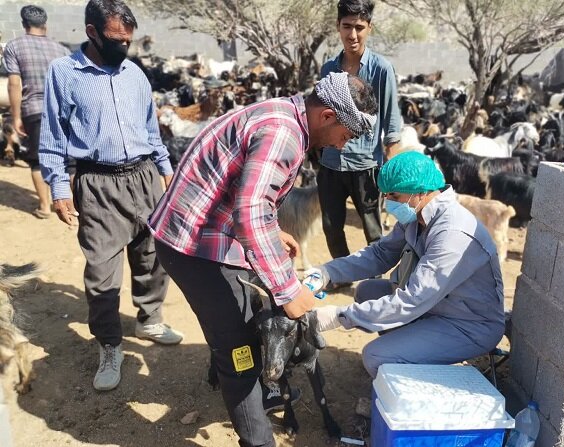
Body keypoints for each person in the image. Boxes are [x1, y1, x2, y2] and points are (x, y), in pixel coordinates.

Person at [148, 72, 378, 447]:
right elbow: (252, 210)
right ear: (327, 117)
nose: (342, 144)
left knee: (246, 323)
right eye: (346, 134)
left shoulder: (284, 114)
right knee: (237, 345)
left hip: (209, 231)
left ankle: (260, 393)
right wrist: (288, 290)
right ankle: (258, 440)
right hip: (192, 245)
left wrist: (275, 231)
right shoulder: (283, 135)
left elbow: (252, 197)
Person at [39, 0, 182, 392]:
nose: (124, 48)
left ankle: (149, 319)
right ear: (92, 32)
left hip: (144, 176)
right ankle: (109, 345)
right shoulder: (64, 74)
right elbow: (52, 138)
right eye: (116, 40)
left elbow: (151, 130)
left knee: (153, 256)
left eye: (128, 41)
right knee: (102, 271)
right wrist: (58, 186)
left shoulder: (134, 73)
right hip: (98, 183)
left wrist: (165, 171)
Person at [308, 151, 506, 378]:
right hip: (437, 305)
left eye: (394, 196)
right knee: (367, 291)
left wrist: (338, 316)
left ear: (419, 192)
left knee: (376, 357)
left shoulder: (452, 232)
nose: (389, 202)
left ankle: (414, 380)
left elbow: (412, 300)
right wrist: (327, 272)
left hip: (467, 324)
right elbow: (381, 254)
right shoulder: (418, 214)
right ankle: (409, 352)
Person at [317, 0, 402, 289]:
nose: (352, 35)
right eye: (346, 27)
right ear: (338, 27)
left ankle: (377, 282)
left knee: (372, 229)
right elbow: (321, 113)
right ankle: (341, 276)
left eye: (359, 27)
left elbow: (391, 122)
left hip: (366, 164)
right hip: (330, 162)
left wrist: (392, 170)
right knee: (331, 226)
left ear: (369, 28)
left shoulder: (381, 69)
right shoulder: (329, 67)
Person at [3, 5, 70, 219]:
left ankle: (44, 206)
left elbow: (14, 84)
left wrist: (16, 117)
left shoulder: (14, 46)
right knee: (70, 161)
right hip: (64, 111)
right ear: (46, 24)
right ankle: (76, 204)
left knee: (37, 159)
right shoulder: (62, 50)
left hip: (34, 109)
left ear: (24, 24)